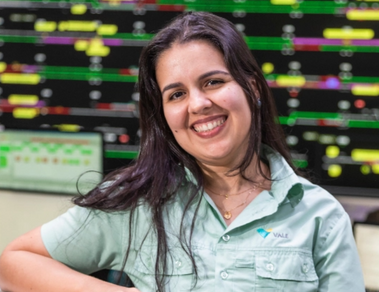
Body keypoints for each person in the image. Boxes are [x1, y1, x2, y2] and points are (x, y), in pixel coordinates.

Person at [0, 11, 365, 292]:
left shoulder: (320, 217)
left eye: (213, 82)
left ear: (251, 86)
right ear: (164, 113)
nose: (199, 104)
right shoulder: (140, 202)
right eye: (176, 94)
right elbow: (15, 262)